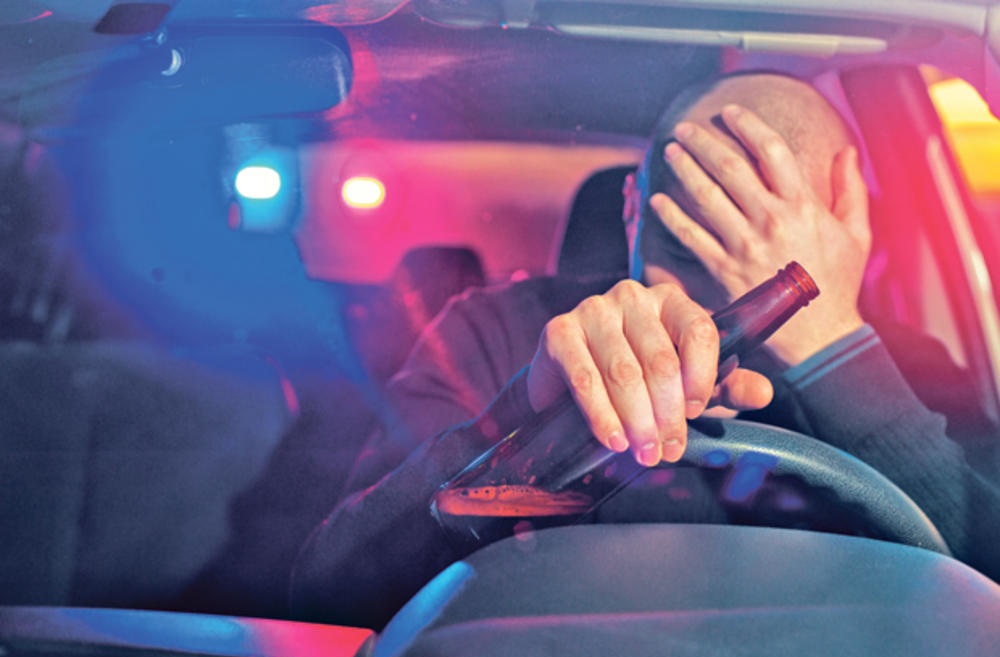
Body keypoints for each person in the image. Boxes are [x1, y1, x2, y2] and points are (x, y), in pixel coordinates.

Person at [290, 72, 1000, 628]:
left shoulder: (903, 368)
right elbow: (330, 592)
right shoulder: (496, 331)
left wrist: (832, 349)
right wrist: (528, 421)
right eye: (688, 249)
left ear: (844, 229)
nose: (713, 324)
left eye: (758, 267)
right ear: (632, 207)